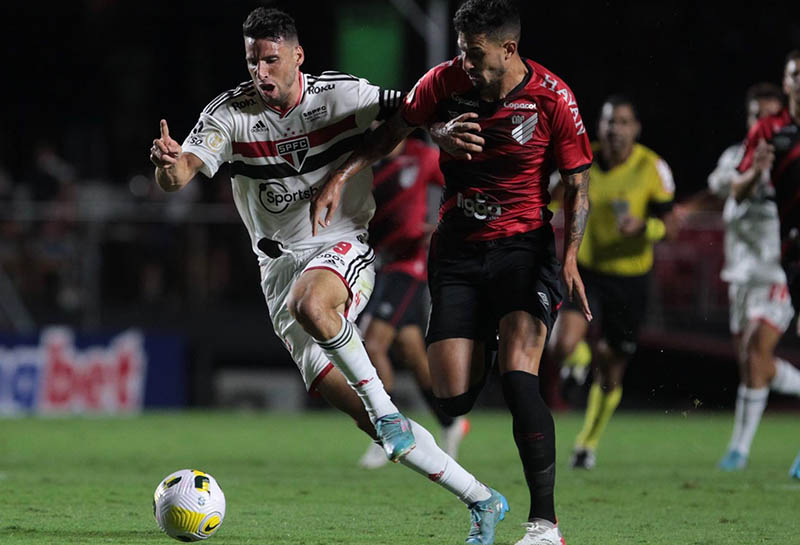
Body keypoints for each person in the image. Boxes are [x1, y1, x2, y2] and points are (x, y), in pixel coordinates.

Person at [149, 7, 506, 543]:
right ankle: (482, 499)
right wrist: (166, 163)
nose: (261, 72)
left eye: (271, 60)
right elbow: (178, 177)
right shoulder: (230, 115)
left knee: (314, 306)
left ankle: (385, 406)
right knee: (377, 428)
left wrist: (440, 130)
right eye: (253, 62)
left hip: (342, 247)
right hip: (278, 270)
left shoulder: (340, 96)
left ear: (297, 56)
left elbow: (410, 110)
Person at [311, 1, 593, 543]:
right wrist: (344, 173)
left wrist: (572, 254)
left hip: (523, 249)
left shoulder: (553, 98)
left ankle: (544, 524)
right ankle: (487, 337)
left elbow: (578, 182)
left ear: (508, 49)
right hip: (459, 250)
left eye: (475, 52)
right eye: (460, 50)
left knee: (518, 375)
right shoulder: (443, 84)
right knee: (451, 397)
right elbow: (394, 129)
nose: (464, 61)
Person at [547, 96, 678, 470]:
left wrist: (645, 227)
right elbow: (546, 200)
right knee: (563, 345)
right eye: (608, 122)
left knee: (612, 364)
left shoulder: (653, 167)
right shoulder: (581, 161)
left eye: (622, 122)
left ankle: (587, 443)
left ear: (635, 128)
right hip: (586, 269)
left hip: (632, 277)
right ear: (598, 127)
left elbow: (671, 227)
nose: (614, 129)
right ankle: (580, 359)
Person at [357, 135, 470, 469]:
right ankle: (451, 423)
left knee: (372, 343)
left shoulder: (422, 155)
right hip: (379, 263)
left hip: (409, 265)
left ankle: (387, 431)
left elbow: (462, 182)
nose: (380, 128)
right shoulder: (366, 161)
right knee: (410, 351)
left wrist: (444, 225)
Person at [708, 82, 800, 471]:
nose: (762, 122)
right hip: (741, 277)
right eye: (755, 115)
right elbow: (722, 190)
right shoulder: (736, 156)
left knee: (755, 352)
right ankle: (739, 450)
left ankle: (739, 451)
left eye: (769, 116)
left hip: (778, 270)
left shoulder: (789, 158)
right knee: (754, 365)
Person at [733, 51, 800, 479]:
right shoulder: (770, 131)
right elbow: (736, 192)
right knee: (752, 353)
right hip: (791, 253)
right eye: (797, 74)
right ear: (786, 82)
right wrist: (756, 173)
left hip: (776, 265)